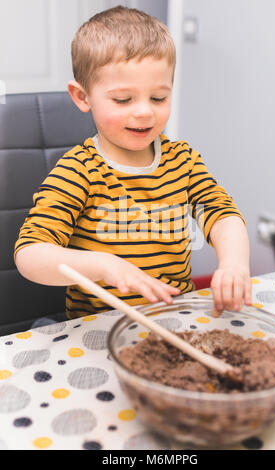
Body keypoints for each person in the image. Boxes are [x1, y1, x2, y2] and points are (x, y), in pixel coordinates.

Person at [14, 5, 252, 320]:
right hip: (102, 327)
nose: (144, 112)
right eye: (123, 100)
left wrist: (234, 263)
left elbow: (222, 217)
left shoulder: (183, 161)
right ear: (83, 97)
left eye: (158, 98)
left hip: (174, 317)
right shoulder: (79, 171)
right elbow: (30, 254)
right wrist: (105, 265)